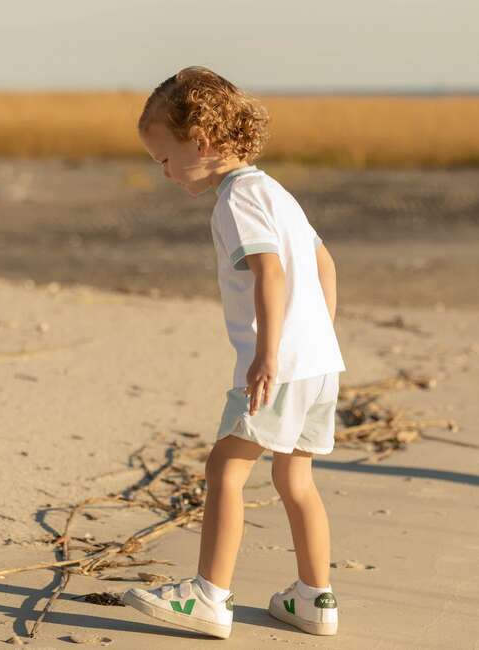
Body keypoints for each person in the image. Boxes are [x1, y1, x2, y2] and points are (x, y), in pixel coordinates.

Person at [122, 66, 345, 639]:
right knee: (296, 480)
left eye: (164, 159)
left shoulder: (236, 201)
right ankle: (313, 599)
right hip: (319, 362)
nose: (165, 172)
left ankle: (207, 595)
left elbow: (269, 271)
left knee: (226, 466)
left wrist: (269, 353)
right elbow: (323, 263)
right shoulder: (274, 190)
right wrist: (316, 334)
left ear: (201, 143)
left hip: (281, 364)